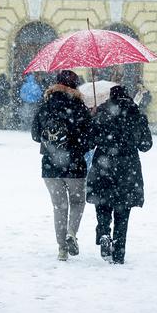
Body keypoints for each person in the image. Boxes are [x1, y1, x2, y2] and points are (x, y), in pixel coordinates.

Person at [86, 85, 153, 265]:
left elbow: (89, 141)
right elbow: (146, 145)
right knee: (123, 211)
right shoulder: (136, 114)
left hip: (103, 166)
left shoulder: (101, 113)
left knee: (103, 203)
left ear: (110, 97)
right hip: (127, 169)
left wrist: (92, 118)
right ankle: (118, 253)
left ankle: (104, 233)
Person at [31, 70, 92, 261]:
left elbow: (35, 135)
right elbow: (89, 140)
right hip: (75, 166)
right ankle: (72, 233)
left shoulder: (45, 105)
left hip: (50, 166)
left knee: (59, 207)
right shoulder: (79, 107)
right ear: (75, 86)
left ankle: (62, 250)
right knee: (77, 202)